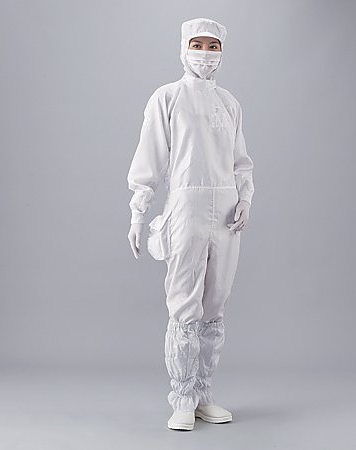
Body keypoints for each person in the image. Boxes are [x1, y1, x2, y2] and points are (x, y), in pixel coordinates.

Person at [126, 17, 255, 431]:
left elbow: (241, 161)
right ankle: (181, 397)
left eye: (213, 46)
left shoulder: (229, 104)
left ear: (222, 52)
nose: (205, 53)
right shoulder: (167, 97)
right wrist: (138, 211)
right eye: (198, 45)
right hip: (186, 205)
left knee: (215, 304)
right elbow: (150, 157)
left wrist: (245, 198)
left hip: (226, 213)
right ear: (184, 48)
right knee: (184, 302)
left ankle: (202, 394)